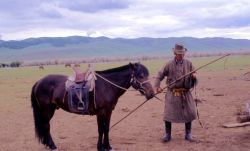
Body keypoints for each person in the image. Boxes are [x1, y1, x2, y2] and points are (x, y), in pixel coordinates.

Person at [154, 43, 197, 142]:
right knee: (168, 113)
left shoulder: (189, 63)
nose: (181, 55)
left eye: (182, 53)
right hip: (172, 93)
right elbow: (159, 75)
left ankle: (188, 134)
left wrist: (194, 76)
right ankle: (167, 135)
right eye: (179, 53)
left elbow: (194, 73)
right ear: (175, 53)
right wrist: (157, 86)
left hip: (185, 93)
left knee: (189, 112)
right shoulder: (168, 64)